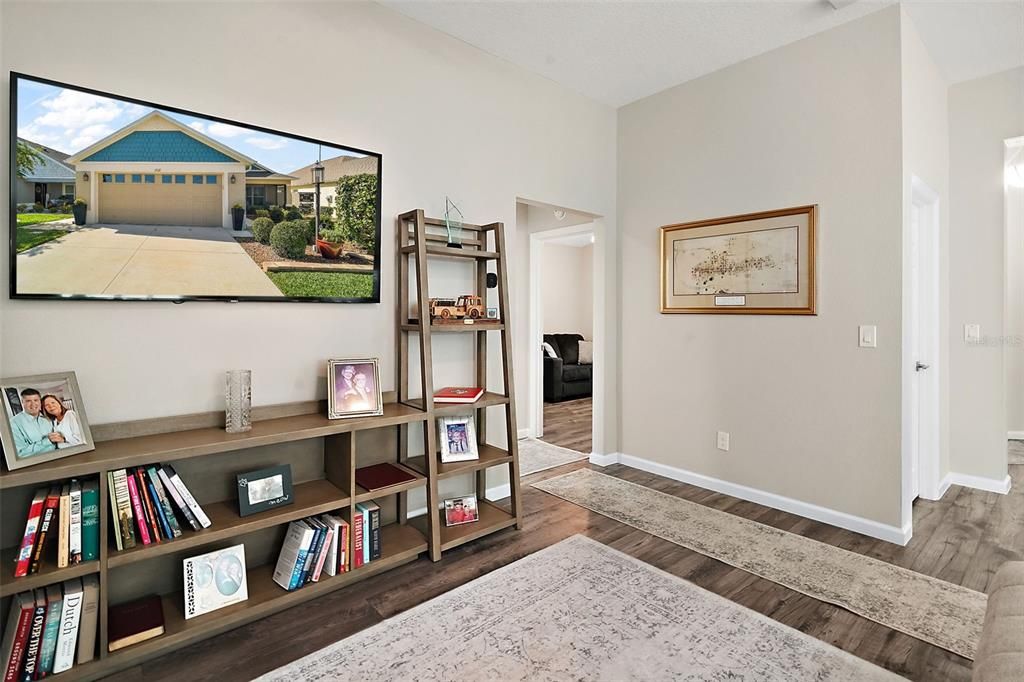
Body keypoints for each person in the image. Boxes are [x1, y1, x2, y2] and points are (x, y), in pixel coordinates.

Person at [8, 388, 61, 457]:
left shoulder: (48, 418)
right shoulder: (13, 423)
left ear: (40, 402)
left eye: (36, 400)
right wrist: (47, 441)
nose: (33, 404)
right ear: (22, 402)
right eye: (28, 401)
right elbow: (20, 453)